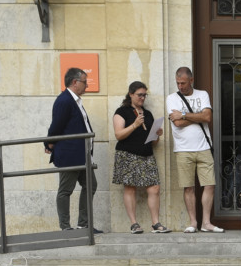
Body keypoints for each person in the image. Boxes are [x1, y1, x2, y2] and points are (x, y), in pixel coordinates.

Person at [166, 66, 223, 233]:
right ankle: (193, 223)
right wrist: (197, 116)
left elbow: (207, 117)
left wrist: (183, 115)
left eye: (183, 83)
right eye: (178, 83)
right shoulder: (172, 98)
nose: (180, 86)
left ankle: (206, 222)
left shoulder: (202, 94)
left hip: (204, 147)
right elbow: (177, 123)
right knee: (188, 187)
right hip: (183, 149)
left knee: (210, 184)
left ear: (191, 80)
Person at [46, 67, 102, 234]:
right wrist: (49, 143)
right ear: (75, 82)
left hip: (82, 154)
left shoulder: (75, 100)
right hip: (70, 155)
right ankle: (65, 227)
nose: (87, 86)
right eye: (85, 82)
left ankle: (83, 225)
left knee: (91, 185)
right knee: (65, 190)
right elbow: (56, 125)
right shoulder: (64, 100)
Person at [113, 81, 170, 234]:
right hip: (128, 154)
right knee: (130, 188)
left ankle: (156, 223)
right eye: (140, 95)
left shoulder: (148, 113)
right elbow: (118, 135)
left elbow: (153, 141)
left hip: (146, 155)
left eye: (145, 95)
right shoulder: (122, 111)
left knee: (154, 188)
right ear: (131, 94)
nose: (142, 98)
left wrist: (157, 135)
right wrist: (135, 125)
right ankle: (134, 224)